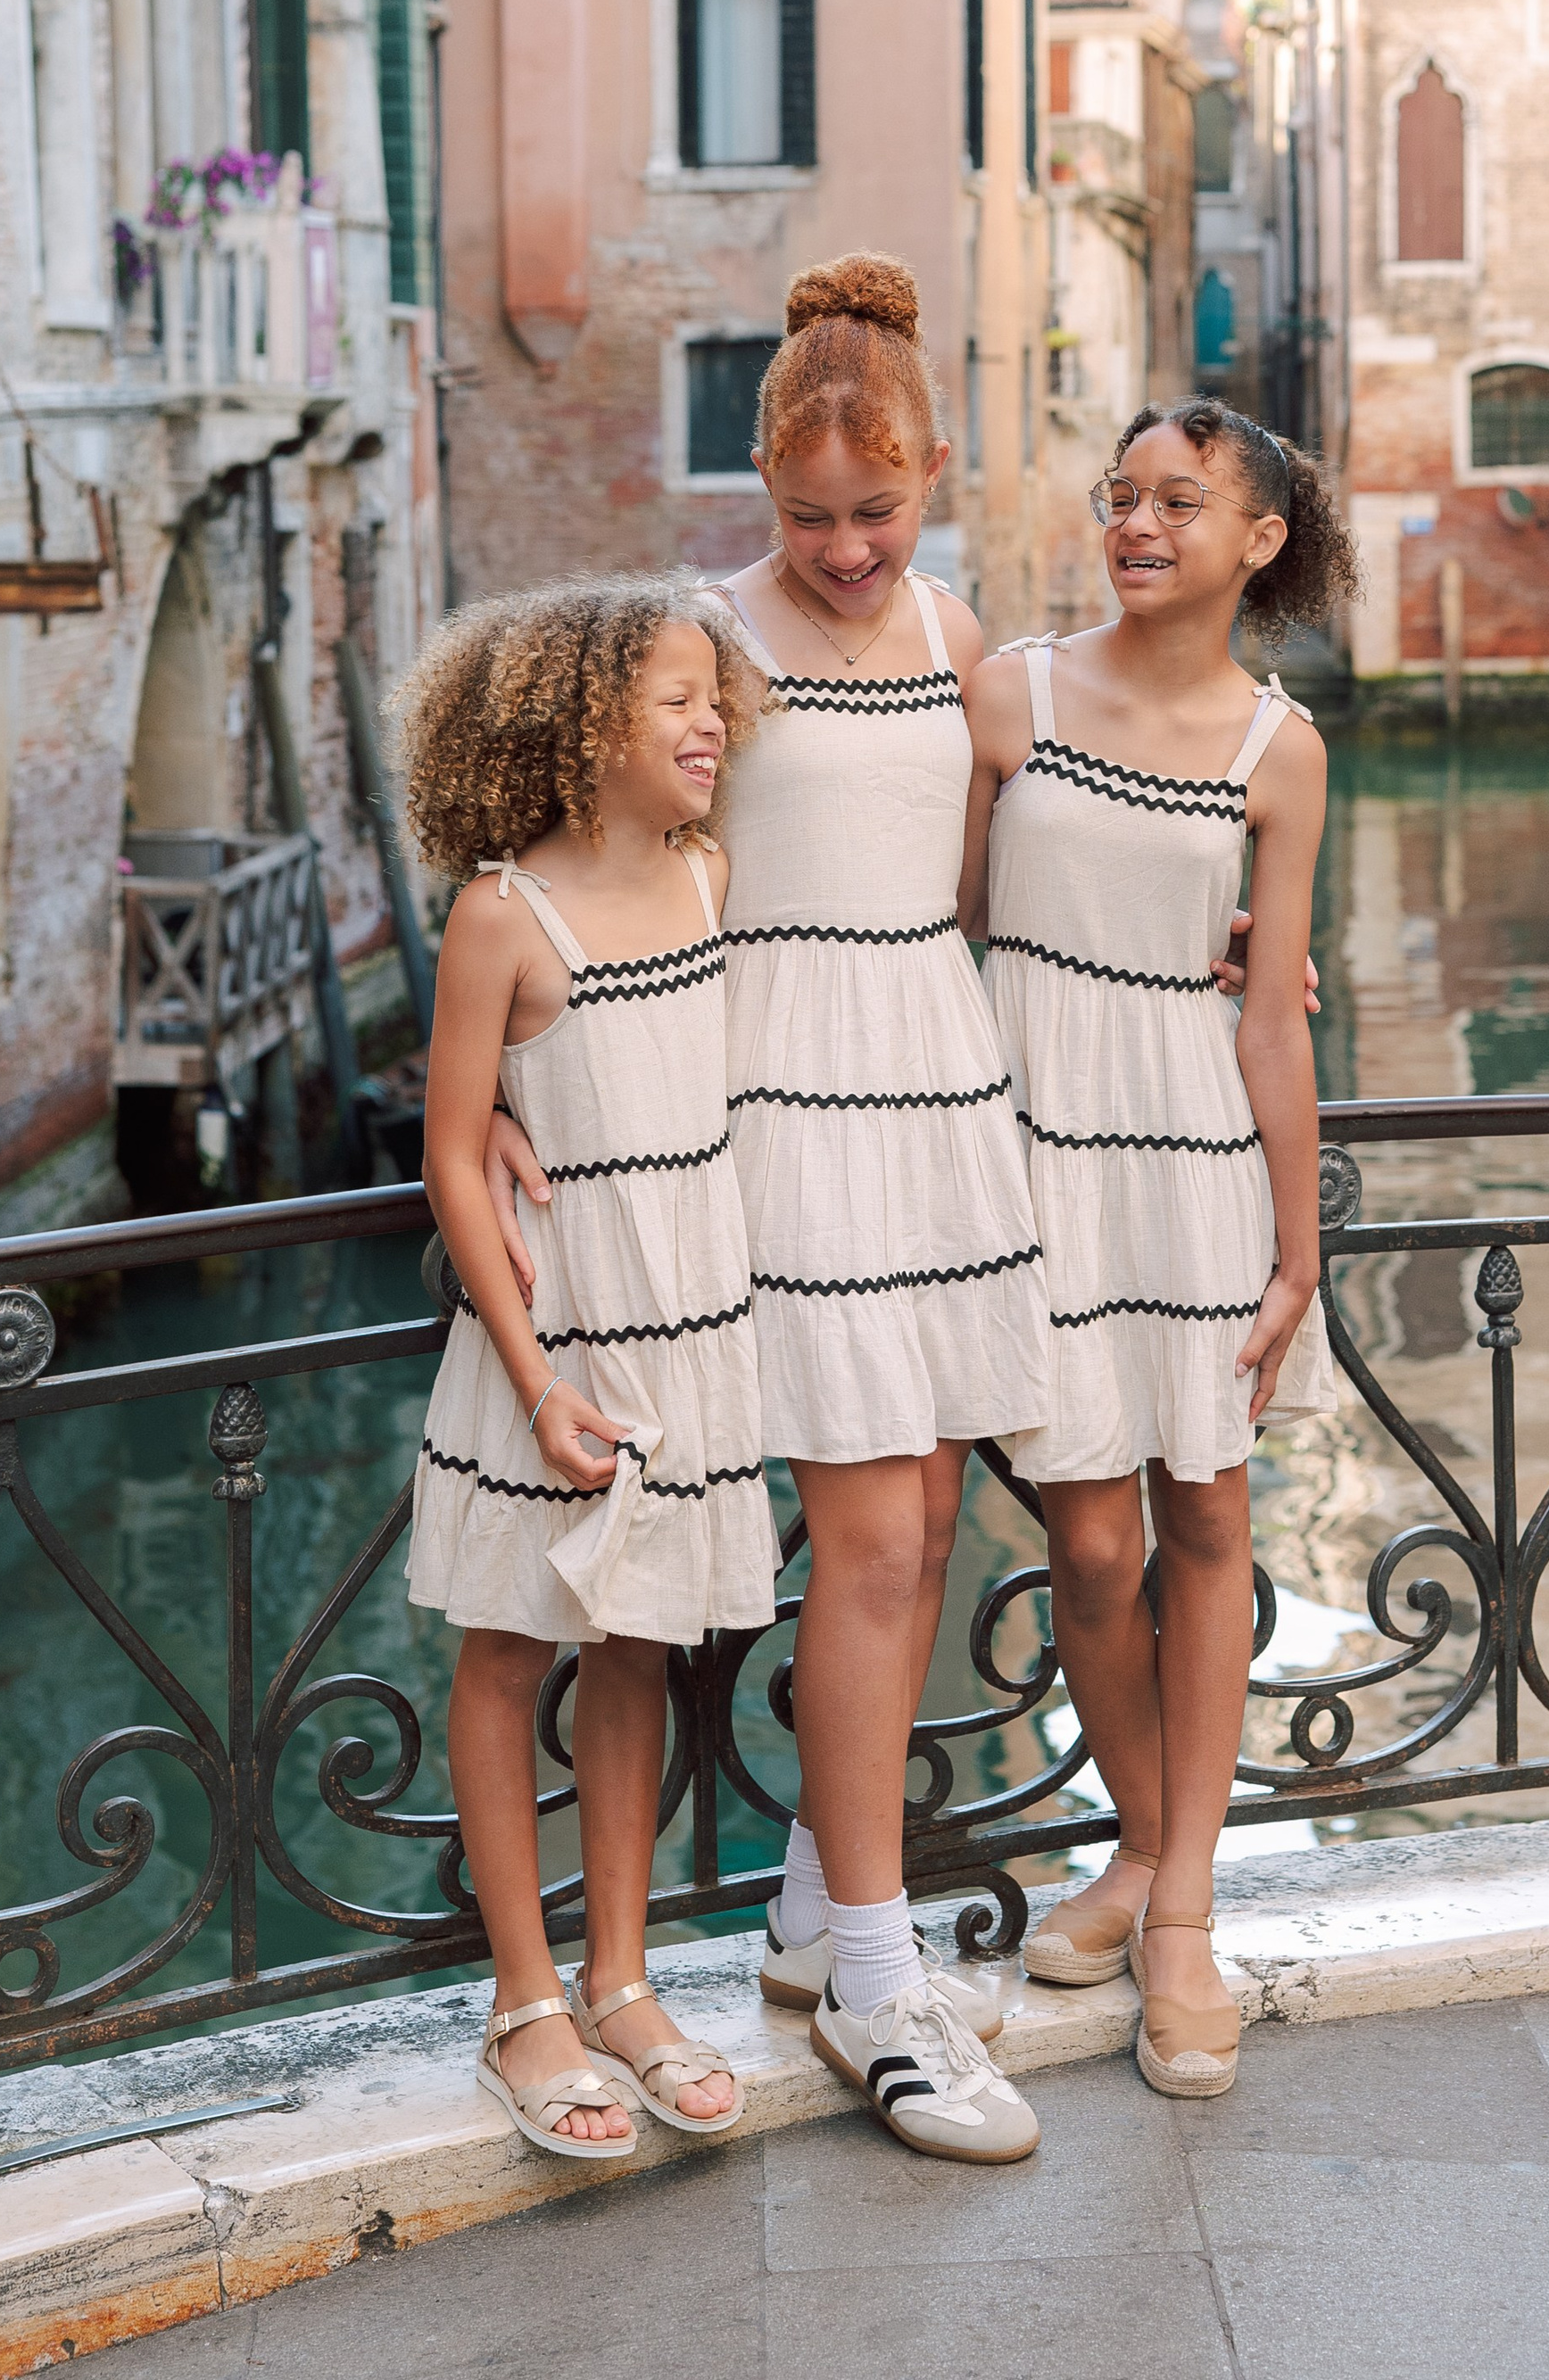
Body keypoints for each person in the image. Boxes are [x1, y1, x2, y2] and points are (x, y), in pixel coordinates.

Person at [486, 256, 1048, 2168]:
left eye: (874, 511)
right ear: (756, 492)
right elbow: (551, 848)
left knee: (928, 1511)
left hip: (935, 1080)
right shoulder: (697, 639)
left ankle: (821, 1898)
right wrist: (488, 1087)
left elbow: (986, 871)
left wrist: (1222, 944)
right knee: (868, 1529)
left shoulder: (959, 630)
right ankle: (879, 1983)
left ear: (932, 477)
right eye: (805, 515)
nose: (840, 547)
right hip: (770, 1100)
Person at [959, 397, 1355, 2101]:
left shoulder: (1285, 749)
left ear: (1258, 538)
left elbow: (1276, 1021)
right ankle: (1139, 1839)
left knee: (1205, 1514)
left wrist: (1298, 1249)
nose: (1135, 524)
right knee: (1093, 1544)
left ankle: (1178, 1905)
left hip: (1195, 1152)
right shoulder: (1010, 696)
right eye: (1119, 497)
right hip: (1032, 1146)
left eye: (1176, 502)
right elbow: (926, 925)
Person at [402, 576, 777, 2160]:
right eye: (677, 701)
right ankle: (524, 2002)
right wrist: (534, 1370)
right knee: (508, 1655)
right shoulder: (505, 914)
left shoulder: (708, 878)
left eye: (717, 699)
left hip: (695, 1328)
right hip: (553, 1351)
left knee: (634, 1654)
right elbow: (446, 1158)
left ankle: (624, 1982)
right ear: (580, 724)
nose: (712, 724)